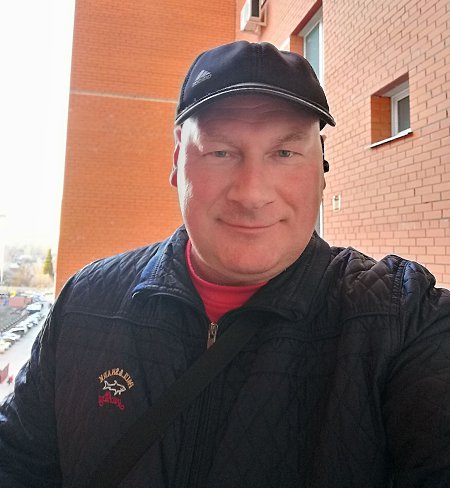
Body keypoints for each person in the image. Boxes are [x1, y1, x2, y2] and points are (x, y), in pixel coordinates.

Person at [1, 41, 449, 487]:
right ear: (177, 160)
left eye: (285, 153)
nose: (251, 194)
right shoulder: (86, 304)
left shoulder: (401, 320)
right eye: (220, 152)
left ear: (321, 167)